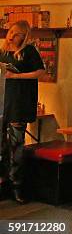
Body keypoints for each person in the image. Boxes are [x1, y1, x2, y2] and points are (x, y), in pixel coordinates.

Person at [0, 21, 46, 203]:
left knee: (16, 146)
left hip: (19, 103)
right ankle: (3, 183)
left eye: (16, 34)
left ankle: (17, 186)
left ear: (24, 36)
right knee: (2, 147)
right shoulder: (4, 51)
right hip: (4, 103)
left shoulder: (29, 52)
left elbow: (40, 72)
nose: (11, 36)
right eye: (11, 32)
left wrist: (16, 76)